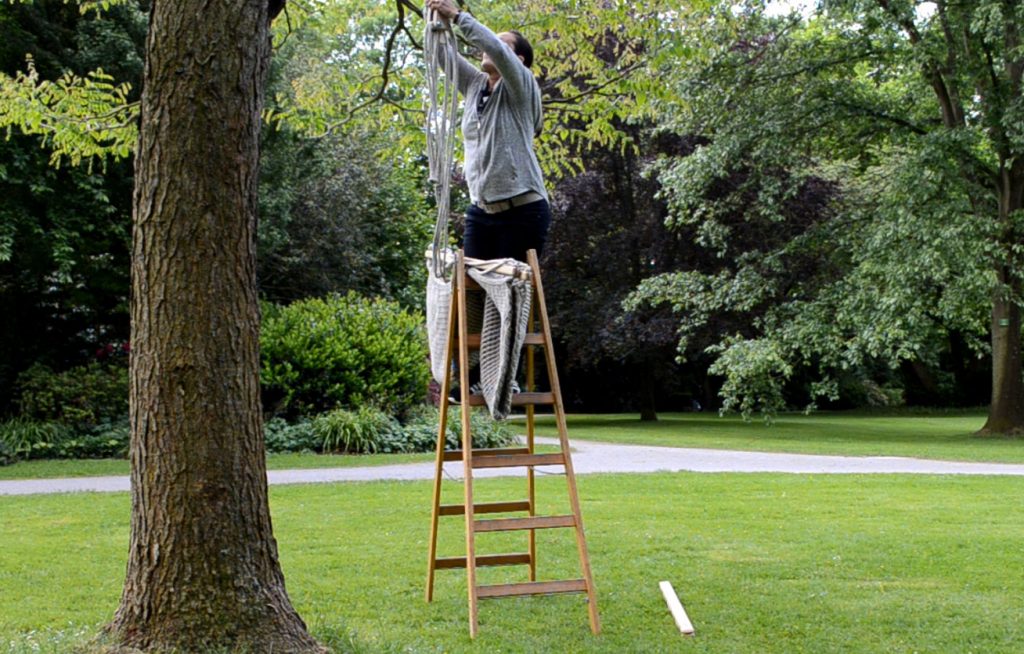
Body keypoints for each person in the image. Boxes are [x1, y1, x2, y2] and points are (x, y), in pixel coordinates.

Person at [425, 0, 550, 263]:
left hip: (523, 210)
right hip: (481, 212)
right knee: (472, 296)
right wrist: (438, 21)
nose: (487, 48)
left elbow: (495, 48)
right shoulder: (474, 85)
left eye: (500, 43)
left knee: (511, 298)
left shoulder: (522, 85)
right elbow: (443, 55)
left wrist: (459, 17)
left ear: (518, 60)